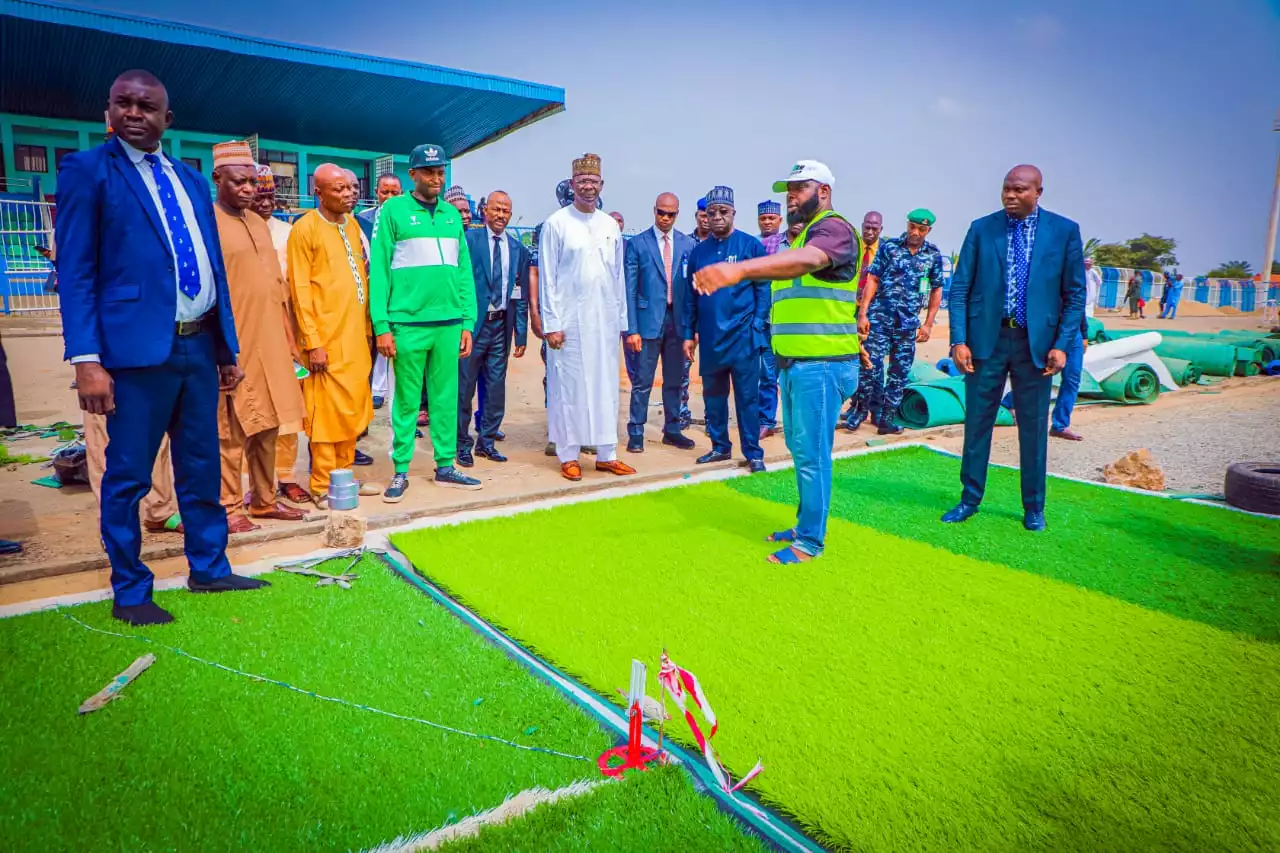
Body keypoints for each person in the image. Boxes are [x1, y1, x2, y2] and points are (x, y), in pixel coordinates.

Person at [56, 69, 263, 625]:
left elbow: (210, 266)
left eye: (146, 106)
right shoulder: (87, 171)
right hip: (132, 357)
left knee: (201, 465)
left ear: (166, 119)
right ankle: (130, 590)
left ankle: (210, 568)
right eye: (122, 104)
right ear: (108, 112)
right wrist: (86, 360)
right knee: (127, 476)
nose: (133, 113)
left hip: (198, 349)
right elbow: (76, 273)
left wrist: (226, 349)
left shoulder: (192, 181)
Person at [692, 160, 862, 565]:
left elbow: (807, 262)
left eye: (799, 188)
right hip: (796, 364)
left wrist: (738, 271)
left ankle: (809, 542)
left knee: (812, 455)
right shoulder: (799, 239)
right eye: (788, 189)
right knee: (800, 449)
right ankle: (806, 525)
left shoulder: (834, 229)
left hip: (821, 364)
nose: (791, 196)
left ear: (823, 191)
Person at [942, 164, 1086, 532]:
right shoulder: (981, 228)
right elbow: (959, 289)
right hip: (986, 343)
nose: (1010, 195)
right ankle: (969, 499)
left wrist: (1062, 344)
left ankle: (1033, 507)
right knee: (977, 424)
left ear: (1038, 192)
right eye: (1006, 188)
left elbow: (1074, 295)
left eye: (1019, 189)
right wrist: (959, 340)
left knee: (1034, 428)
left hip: (1035, 346)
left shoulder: (1064, 232)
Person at [370, 144, 481, 500]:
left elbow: (463, 271)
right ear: (413, 174)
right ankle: (401, 469)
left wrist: (468, 321)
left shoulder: (451, 216)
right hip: (408, 323)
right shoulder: (394, 211)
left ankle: (445, 465)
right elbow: (380, 272)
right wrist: (382, 325)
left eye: (441, 171)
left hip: (449, 323)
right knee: (405, 401)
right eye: (429, 171)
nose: (436, 178)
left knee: (446, 398)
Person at [210, 141, 308, 532]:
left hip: (271, 340)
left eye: (253, 182)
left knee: (269, 425)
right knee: (231, 429)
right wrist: (220, 351)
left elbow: (277, 289)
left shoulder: (258, 225)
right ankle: (230, 506)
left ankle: (265, 501)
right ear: (217, 178)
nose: (248, 189)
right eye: (239, 182)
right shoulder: (208, 221)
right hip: (233, 343)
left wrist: (290, 342)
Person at [539, 153, 636, 482]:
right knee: (569, 388)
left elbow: (618, 276)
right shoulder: (556, 223)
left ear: (601, 185)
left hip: (604, 322)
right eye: (582, 182)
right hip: (569, 323)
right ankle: (569, 454)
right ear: (572, 184)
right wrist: (551, 324)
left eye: (593, 182)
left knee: (606, 387)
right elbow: (548, 278)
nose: (588, 187)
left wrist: (622, 323)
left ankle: (607, 454)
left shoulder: (610, 225)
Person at [288, 164, 380, 506]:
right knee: (325, 416)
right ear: (319, 192)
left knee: (352, 411)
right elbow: (299, 288)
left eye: (351, 188)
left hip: (355, 337)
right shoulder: (305, 229)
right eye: (339, 189)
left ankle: (344, 479)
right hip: (324, 340)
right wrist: (312, 342)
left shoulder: (353, 225)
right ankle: (321, 484)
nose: (349, 194)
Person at [684, 185, 769, 470]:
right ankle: (720, 447)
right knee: (714, 398)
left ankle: (753, 453)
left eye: (723, 212)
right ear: (704, 216)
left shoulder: (750, 246)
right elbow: (690, 297)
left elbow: (762, 289)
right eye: (711, 213)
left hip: (743, 338)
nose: (717, 217)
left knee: (747, 399)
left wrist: (757, 326)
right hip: (710, 339)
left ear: (733, 213)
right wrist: (688, 334)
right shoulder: (699, 253)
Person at [855, 209, 945, 435]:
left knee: (899, 371)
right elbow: (873, 279)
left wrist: (928, 323)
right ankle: (860, 411)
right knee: (869, 366)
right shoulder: (889, 247)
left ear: (928, 230)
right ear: (907, 225)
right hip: (880, 318)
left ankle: (887, 419)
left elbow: (936, 289)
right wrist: (864, 313)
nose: (915, 232)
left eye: (921, 229)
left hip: (907, 325)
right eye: (912, 227)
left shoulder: (932, 255)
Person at [457, 190, 529, 466]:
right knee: (465, 388)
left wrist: (519, 332)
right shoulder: (469, 240)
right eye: (497, 209)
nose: (501, 215)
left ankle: (486, 442)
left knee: (496, 388)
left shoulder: (517, 248)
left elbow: (519, 292)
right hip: (472, 328)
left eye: (506, 211)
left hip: (500, 326)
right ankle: (462, 443)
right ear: (485, 210)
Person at [623, 192, 697, 453]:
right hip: (647, 322)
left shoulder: (687, 245)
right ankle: (636, 431)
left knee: (675, 379)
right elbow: (629, 291)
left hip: (677, 322)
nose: (665, 218)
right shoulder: (637, 244)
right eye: (661, 212)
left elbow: (692, 290)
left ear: (677, 214)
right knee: (643, 380)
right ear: (654, 210)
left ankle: (673, 429)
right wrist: (631, 329)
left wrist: (692, 328)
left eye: (671, 214)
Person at [355, 174, 403, 409]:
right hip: (371, 292)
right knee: (371, 344)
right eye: (386, 192)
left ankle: (392, 396)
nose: (390, 197)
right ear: (376, 192)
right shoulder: (362, 220)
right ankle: (372, 392)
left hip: (398, 294)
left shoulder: (406, 219)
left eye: (395, 192)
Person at [842, 211, 884, 430]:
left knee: (873, 360)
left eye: (874, 228)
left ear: (880, 230)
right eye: (866, 227)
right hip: (850, 309)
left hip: (875, 313)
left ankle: (876, 409)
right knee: (853, 358)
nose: (869, 232)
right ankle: (855, 404)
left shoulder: (885, 251)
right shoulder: (853, 247)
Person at [757, 200, 784, 439]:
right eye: (763, 219)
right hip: (762, 321)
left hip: (785, 322)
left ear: (779, 220)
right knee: (765, 374)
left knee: (786, 374)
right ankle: (766, 419)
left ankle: (773, 418)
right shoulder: (754, 245)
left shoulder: (787, 245)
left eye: (771, 219)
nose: (767, 222)